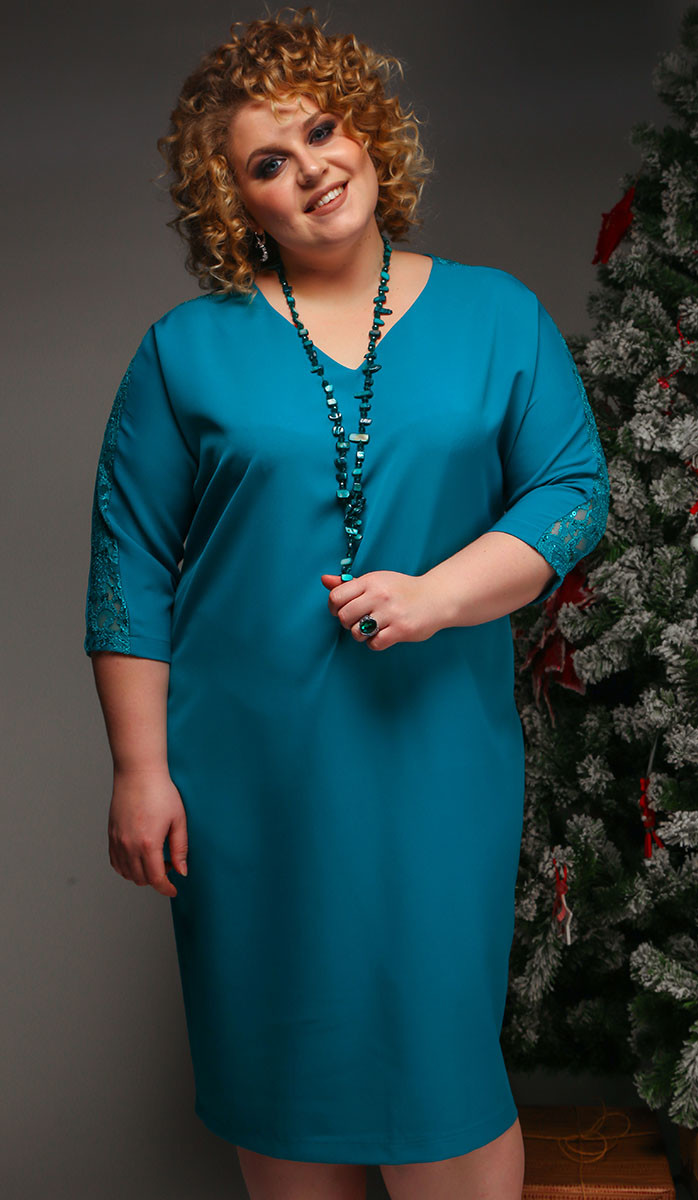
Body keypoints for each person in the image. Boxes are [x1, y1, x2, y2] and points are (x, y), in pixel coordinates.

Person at [82, 8, 610, 1199]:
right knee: (283, 1074)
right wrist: (140, 770)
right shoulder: (184, 350)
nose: (311, 169)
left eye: (322, 131)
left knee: (440, 1073)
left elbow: (574, 493)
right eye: (268, 162)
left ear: (368, 132)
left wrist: (441, 595)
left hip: (436, 753)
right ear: (236, 201)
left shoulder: (498, 316)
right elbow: (129, 565)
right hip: (244, 770)